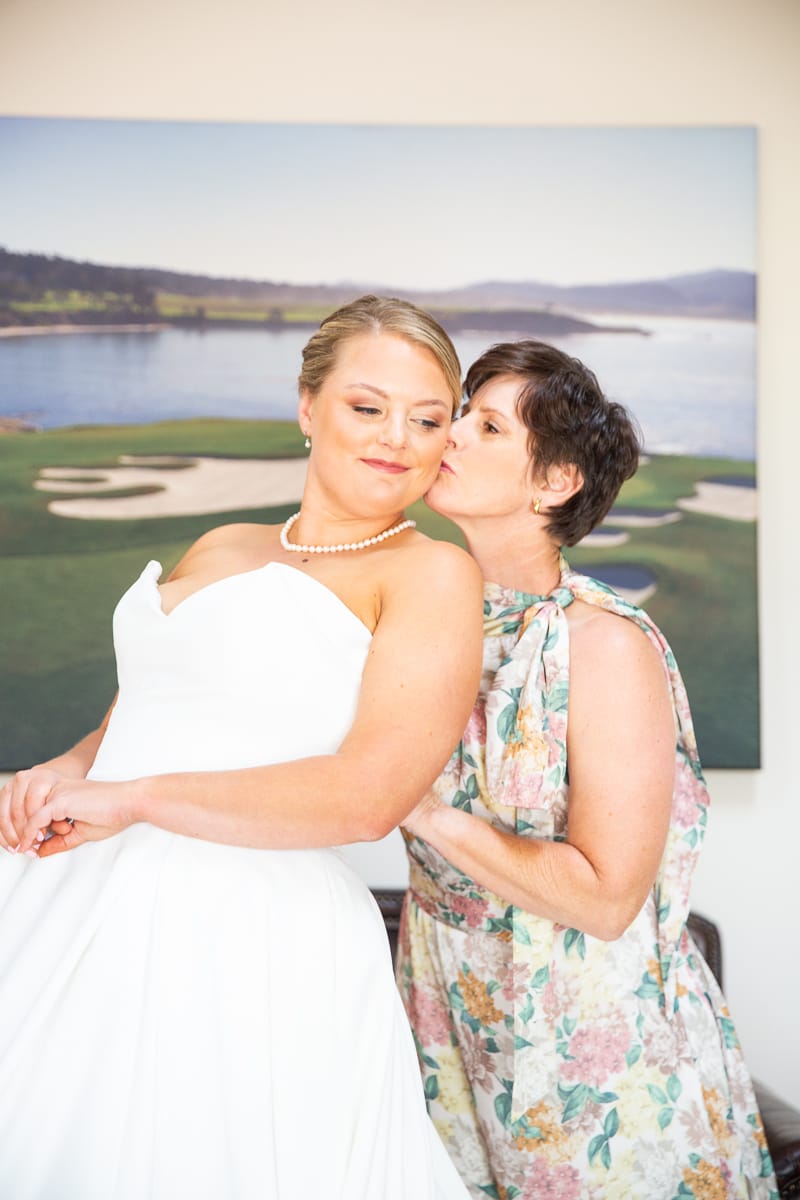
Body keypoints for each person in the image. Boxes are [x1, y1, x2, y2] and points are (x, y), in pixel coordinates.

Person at [0, 295, 483, 1200]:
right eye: (366, 406)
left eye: (428, 418)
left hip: (247, 933)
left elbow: (368, 797)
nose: (397, 438)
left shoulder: (431, 573)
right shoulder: (223, 542)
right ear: (307, 406)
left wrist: (133, 799)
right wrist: (60, 774)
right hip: (72, 891)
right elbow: (134, 716)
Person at [398, 340, 777, 1200]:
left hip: (586, 1046)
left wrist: (422, 811)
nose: (450, 433)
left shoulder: (605, 646)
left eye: (487, 425)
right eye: (461, 412)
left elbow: (608, 898)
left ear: (554, 481)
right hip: (442, 1022)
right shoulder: (420, 618)